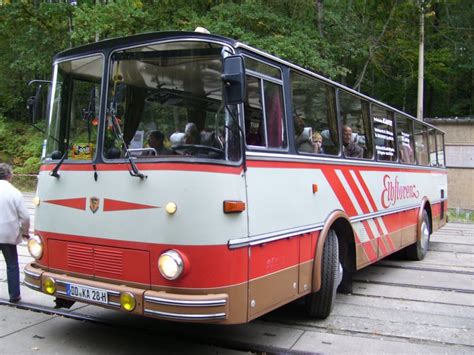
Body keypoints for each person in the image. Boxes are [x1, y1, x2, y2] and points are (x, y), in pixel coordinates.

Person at [0, 163, 30, 303]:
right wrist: (25, 232)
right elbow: (25, 217)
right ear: (10, 176)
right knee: (12, 264)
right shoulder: (15, 193)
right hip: (7, 234)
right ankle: (14, 295)